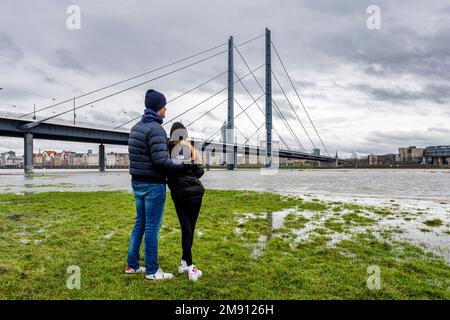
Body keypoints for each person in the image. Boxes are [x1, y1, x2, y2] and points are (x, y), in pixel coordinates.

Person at [125, 89, 192, 281]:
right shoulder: (156, 130)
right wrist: (182, 165)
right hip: (153, 184)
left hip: (137, 183)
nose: (166, 109)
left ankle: (132, 265)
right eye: (164, 106)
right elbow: (160, 161)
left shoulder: (136, 127)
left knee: (140, 224)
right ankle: (153, 271)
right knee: (152, 227)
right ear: (159, 108)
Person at [167, 122, 205, 281]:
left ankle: (184, 262)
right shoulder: (189, 149)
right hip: (195, 194)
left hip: (179, 195)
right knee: (190, 228)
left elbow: (166, 169)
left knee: (186, 228)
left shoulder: (165, 150)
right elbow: (200, 170)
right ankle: (190, 267)